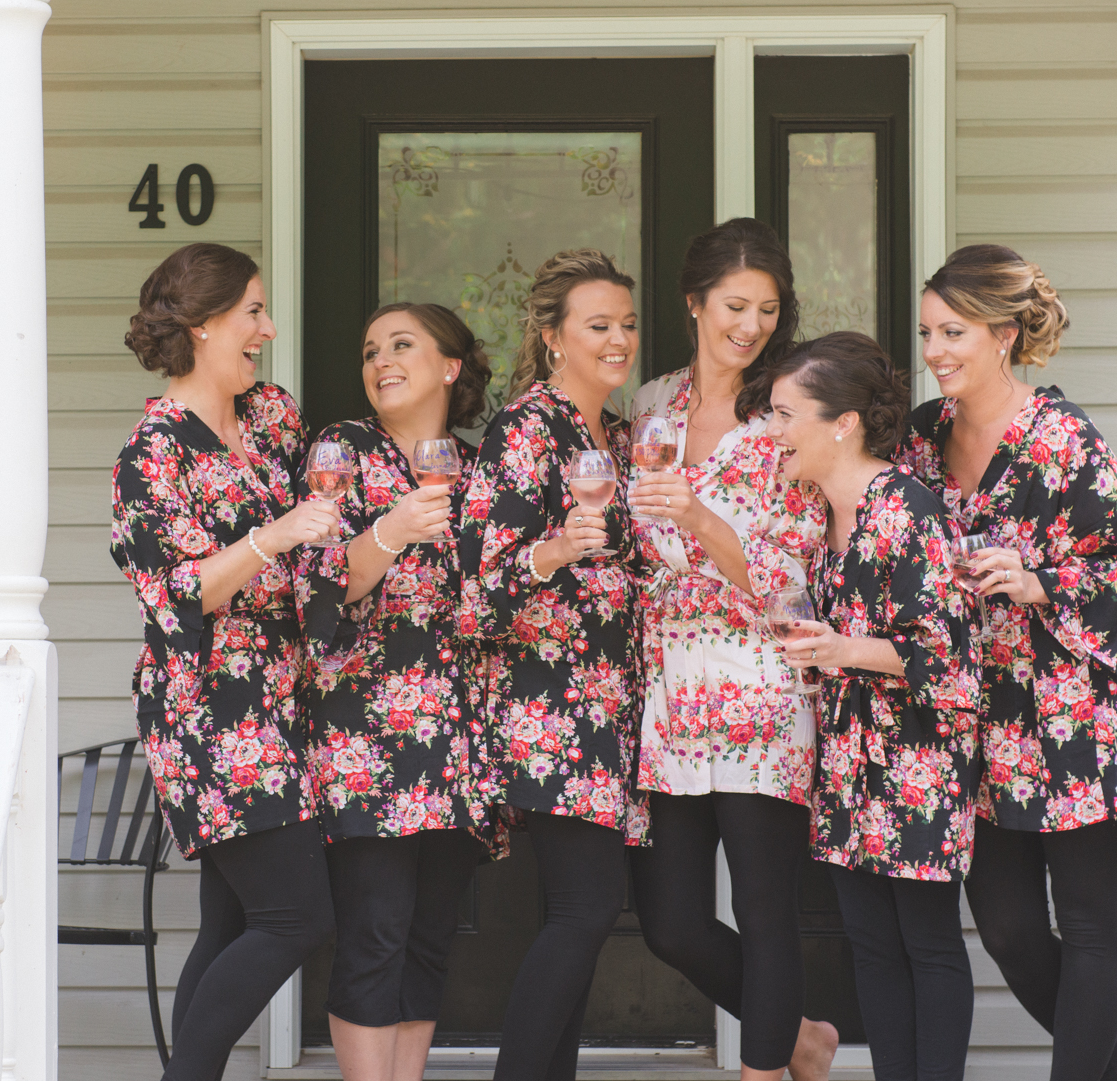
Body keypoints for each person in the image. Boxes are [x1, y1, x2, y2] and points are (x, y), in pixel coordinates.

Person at [894, 245, 1117, 1081]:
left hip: (1078, 705)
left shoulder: (1062, 439)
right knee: (1004, 923)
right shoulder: (925, 436)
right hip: (986, 713)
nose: (935, 350)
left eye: (954, 332)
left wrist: (1037, 581)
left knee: (1085, 923)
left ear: (1003, 335)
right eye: (928, 331)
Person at [111, 243, 339, 1081]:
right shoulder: (152, 452)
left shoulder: (271, 416)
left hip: (282, 697)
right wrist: (269, 537)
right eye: (252, 312)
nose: (268, 329)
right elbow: (173, 596)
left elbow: (327, 500)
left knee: (231, 921)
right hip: (211, 708)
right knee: (294, 915)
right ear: (203, 326)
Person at [625, 218, 837, 1081]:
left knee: (764, 908)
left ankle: (764, 1071)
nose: (749, 326)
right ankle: (801, 1037)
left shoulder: (787, 411)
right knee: (669, 919)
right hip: (669, 692)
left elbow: (787, 572)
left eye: (766, 309)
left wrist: (700, 520)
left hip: (762, 687)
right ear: (694, 303)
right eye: (734, 306)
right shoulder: (649, 405)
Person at [767, 331, 981, 1081]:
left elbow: (949, 658)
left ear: (843, 421)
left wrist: (840, 650)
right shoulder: (821, 517)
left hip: (917, 758)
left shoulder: (906, 509)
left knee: (926, 943)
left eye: (786, 413)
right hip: (849, 763)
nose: (775, 430)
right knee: (871, 946)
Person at [296, 302, 501, 1081]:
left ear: (451, 366)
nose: (381, 358)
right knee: (374, 932)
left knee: (427, 936)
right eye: (370, 347)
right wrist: (391, 529)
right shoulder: (343, 450)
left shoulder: (481, 472)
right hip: (367, 738)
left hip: (459, 744)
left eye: (402, 344)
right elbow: (319, 588)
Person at [458, 249, 647, 1080]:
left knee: (585, 908)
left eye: (628, 324)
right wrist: (557, 547)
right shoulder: (528, 428)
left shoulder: (622, 434)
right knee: (586, 905)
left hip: (610, 703)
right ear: (553, 337)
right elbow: (476, 590)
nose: (619, 340)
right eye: (598, 325)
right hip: (552, 703)